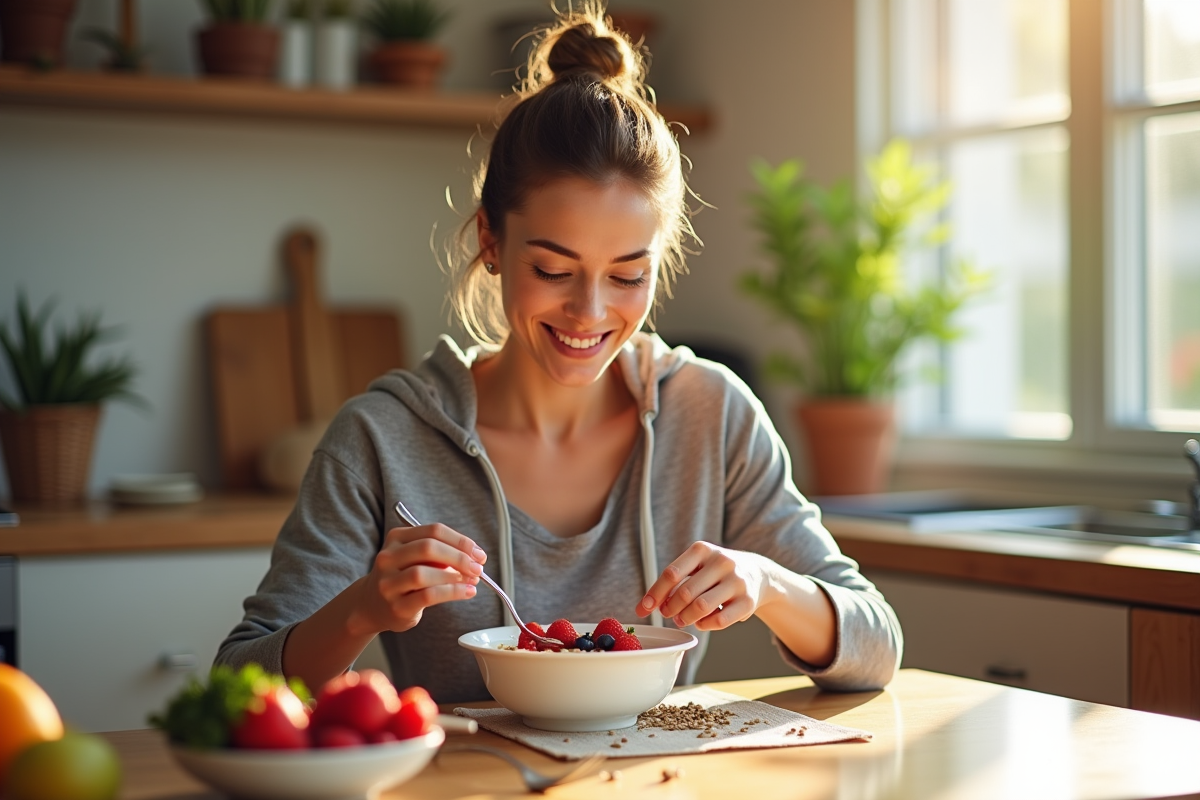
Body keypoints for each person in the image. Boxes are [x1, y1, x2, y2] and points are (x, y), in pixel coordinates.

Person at [215, 2, 902, 703]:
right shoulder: (382, 439)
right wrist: (361, 609)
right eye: (552, 269)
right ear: (490, 240)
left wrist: (769, 582)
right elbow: (237, 680)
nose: (590, 313)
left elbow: (877, 647)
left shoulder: (712, 415)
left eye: (628, 276)